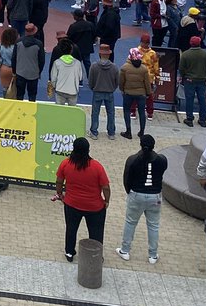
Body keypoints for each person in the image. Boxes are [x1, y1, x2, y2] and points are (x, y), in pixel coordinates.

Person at [56, 137, 110, 262]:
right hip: (94, 207)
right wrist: (106, 201)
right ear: (88, 150)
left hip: (71, 204)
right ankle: (95, 255)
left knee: (71, 228)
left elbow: (59, 181)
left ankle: (69, 252)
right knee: (96, 232)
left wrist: (60, 194)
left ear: (73, 149)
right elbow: (106, 187)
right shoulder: (97, 167)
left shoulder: (66, 163)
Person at [117, 134, 166, 264]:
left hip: (137, 194)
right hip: (155, 195)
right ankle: (153, 255)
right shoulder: (162, 160)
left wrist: (130, 192)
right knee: (153, 226)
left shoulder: (133, 159)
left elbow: (126, 179)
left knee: (130, 222)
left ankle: (125, 250)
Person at [179, 36, 206, 128]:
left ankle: (189, 119)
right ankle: (203, 120)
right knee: (202, 99)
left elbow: (181, 68)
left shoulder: (185, 54)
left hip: (189, 80)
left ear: (190, 43)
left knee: (189, 99)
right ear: (200, 43)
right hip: (202, 81)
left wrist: (184, 77)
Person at [119, 47, 153, 139]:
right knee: (142, 112)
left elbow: (121, 81)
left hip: (128, 93)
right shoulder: (144, 69)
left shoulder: (124, 68)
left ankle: (128, 132)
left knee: (126, 111)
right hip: (141, 94)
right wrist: (149, 93)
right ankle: (141, 132)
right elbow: (147, 83)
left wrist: (122, 90)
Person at [87, 45, 119, 139]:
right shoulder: (114, 67)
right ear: (109, 54)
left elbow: (90, 81)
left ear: (99, 54)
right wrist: (112, 88)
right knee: (111, 113)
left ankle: (94, 132)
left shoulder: (94, 66)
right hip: (109, 92)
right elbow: (117, 82)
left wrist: (94, 88)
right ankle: (111, 133)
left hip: (97, 92)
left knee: (95, 113)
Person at [12, 23, 45, 102]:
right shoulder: (39, 44)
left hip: (20, 72)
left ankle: (19, 110)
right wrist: (38, 72)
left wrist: (14, 71)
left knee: (19, 95)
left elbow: (14, 58)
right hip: (33, 74)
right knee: (32, 95)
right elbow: (42, 61)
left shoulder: (18, 42)